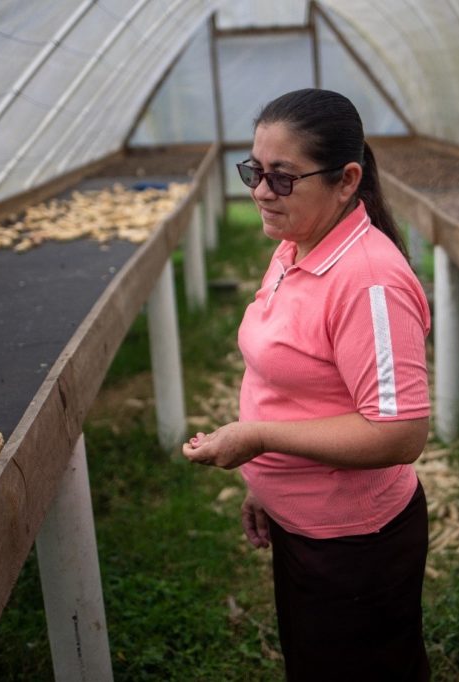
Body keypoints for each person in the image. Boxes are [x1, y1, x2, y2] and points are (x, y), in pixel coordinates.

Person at [182, 88, 431, 681]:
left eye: (283, 178)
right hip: (305, 527)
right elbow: (296, 385)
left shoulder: (369, 282)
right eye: (254, 172)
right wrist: (266, 488)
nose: (261, 193)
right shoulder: (297, 244)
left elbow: (399, 433)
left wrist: (259, 439)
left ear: (347, 180)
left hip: (354, 547)